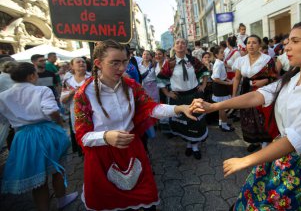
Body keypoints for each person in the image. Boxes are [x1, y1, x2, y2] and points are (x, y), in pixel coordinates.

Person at [190, 19, 301, 210]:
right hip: (280, 158)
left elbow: (294, 140)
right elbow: (257, 96)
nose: (287, 48)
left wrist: (246, 160)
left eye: (296, 41)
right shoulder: (293, 77)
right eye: (287, 42)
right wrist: (213, 107)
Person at [74, 39, 194, 210]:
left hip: (132, 150)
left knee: (144, 201)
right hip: (102, 157)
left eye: (124, 62)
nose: (122, 68)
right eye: (114, 63)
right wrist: (106, 136)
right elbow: (82, 136)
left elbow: (151, 108)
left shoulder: (131, 86)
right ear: (98, 63)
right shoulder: (84, 94)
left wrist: (179, 108)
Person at [0, 62, 78, 211]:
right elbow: (50, 110)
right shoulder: (41, 90)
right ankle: (61, 199)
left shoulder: (3, 96)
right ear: (31, 76)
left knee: (38, 176)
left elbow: (3, 119)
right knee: (57, 168)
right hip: (46, 132)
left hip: (22, 137)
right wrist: (59, 121)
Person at [157, 38, 209, 160]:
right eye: (177, 43)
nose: (180, 45)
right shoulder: (169, 63)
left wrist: (203, 85)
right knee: (184, 122)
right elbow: (161, 79)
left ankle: (195, 146)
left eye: (183, 43)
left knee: (195, 121)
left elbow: (204, 72)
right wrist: (168, 93)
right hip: (178, 98)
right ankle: (188, 144)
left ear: (186, 47)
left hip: (193, 95)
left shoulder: (193, 60)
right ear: (174, 47)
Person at [232, 35, 278, 152]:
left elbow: (275, 77)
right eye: (248, 43)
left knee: (263, 117)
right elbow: (237, 78)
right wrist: (234, 95)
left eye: (254, 43)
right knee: (249, 116)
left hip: (263, 92)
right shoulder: (241, 60)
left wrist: (264, 80)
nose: (251, 45)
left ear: (259, 45)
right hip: (246, 91)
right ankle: (255, 141)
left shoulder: (267, 59)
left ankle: (266, 142)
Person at [60, 57, 91, 156]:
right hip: (76, 113)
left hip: (92, 112)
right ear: (72, 66)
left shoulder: (92, 78)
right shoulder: (68, 81)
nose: (82, 63)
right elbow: (63, 100)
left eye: (83, 62)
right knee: (80, 134)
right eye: (78, 62)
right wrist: (71, 93)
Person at [211, 46, 234, 132]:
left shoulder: (220, 62)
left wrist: (228, 80)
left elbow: (222, 76)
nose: (223, 54)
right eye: (221, 52)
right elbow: (216, 78)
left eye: (223, 52)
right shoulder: (218, 64)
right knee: (223, 107)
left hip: (220, 85)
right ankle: (224, 125)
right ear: (216, 55)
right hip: (219, 87)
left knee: (221, 107)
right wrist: (228, 83)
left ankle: (222, 123)